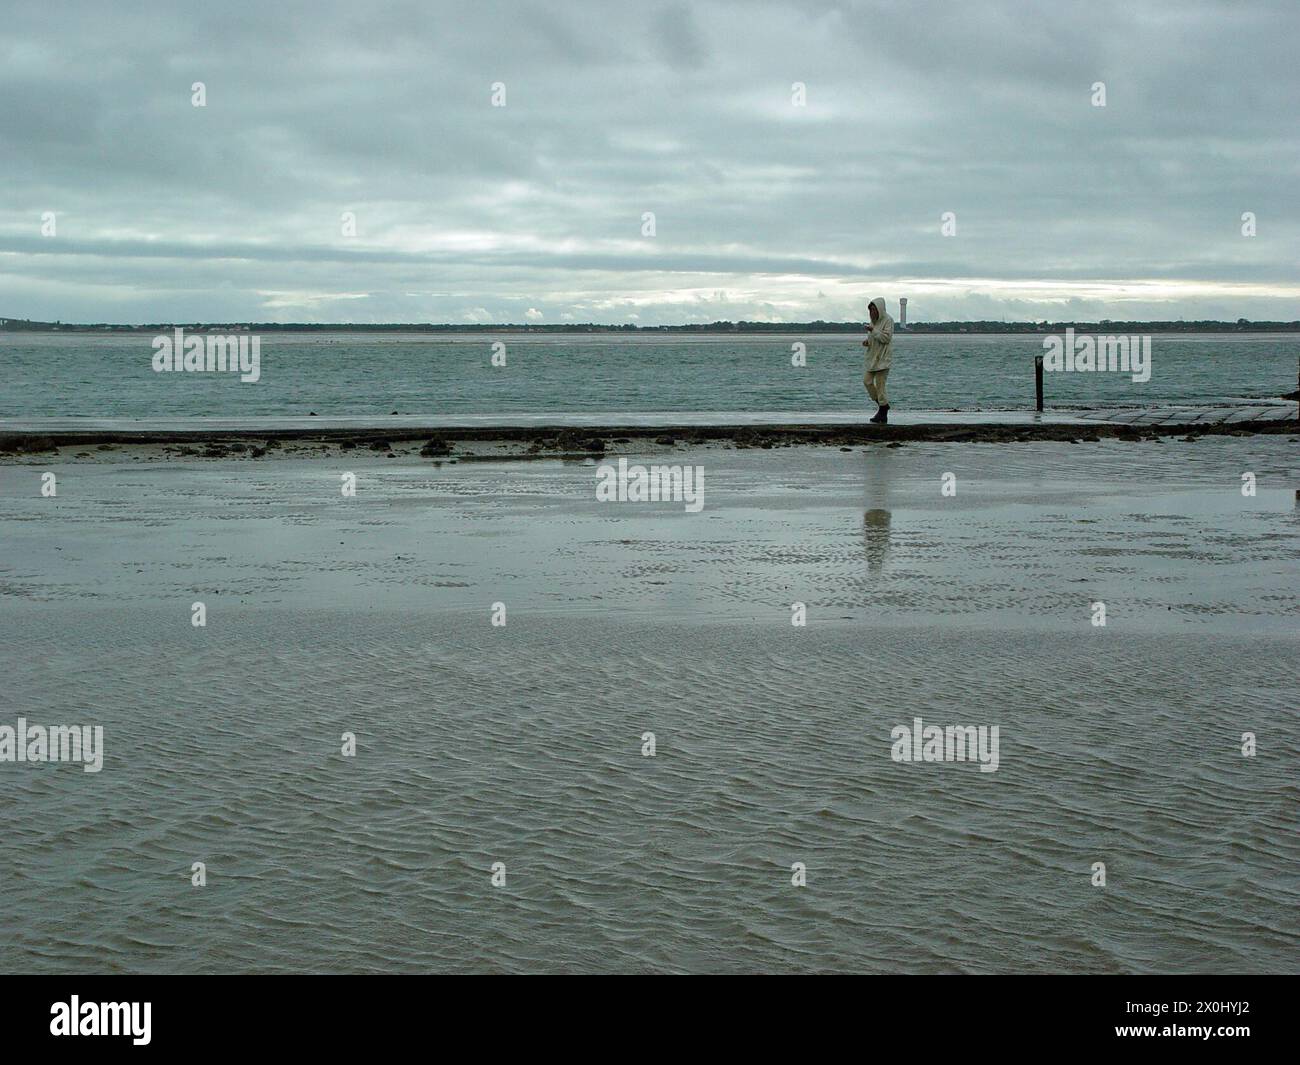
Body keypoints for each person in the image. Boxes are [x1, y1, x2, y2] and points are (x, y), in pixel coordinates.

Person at [862, 297, 894, 423]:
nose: (872, 313)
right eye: (870, 310)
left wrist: (873, 330)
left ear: (880, 309)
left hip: (883, 358)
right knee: (867, 381)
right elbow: (873, 338)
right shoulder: (873, 322)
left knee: (881, 386)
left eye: (874, 310)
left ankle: (883, 412)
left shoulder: (888, 320)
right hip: (873, 358)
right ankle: (883, 405)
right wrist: (867, 342)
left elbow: (886, 338)